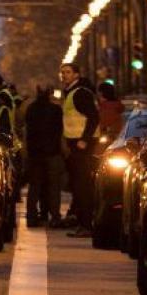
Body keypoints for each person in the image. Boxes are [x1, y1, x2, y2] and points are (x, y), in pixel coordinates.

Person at [57, 62, 100, 235]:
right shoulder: (72, 92)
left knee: (82, 186)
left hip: (81, 145)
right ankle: (82, 222)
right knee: (78, 185)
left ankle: (86, 225)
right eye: (62, 73)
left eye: (68, 72)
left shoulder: (80, 93)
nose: (64, 75)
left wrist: (84, 139)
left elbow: (93, 117)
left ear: (76, 75)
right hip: (75, 144)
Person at [23, 84, 66, 227]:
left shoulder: (31, 109)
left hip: (35, 153)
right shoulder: (56, 110)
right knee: (54, 186)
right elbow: (60, 130)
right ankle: (54, 216)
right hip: (52, 152)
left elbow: (27, 130)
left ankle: (31, 216)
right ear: (49, 95)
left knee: (34, 186)